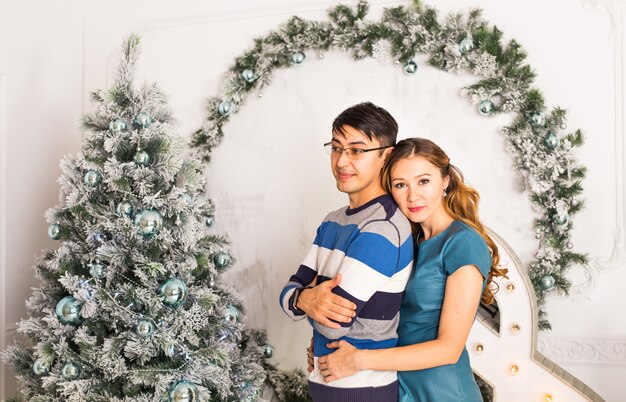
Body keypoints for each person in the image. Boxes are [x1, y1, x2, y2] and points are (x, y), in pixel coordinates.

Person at [314, 137, 509, 401]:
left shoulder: (463, 243)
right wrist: (327, 349)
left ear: (446, 181)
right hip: (395, 386)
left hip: (442, 393)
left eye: (423, 181)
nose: (412, 195)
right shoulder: (406, 239)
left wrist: (358, 360)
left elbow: (448, 349)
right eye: (400, 184)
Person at [278, 102, 414, 401]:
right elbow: (288, 294)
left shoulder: (382, 229)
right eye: (336, 148)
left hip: (362, 389)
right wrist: (305, 298)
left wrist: (303, 299)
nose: (342, 161)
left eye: (357, 150)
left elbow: (333, 327)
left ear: (385, 156)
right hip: (329, 383)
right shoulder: (333, 220)